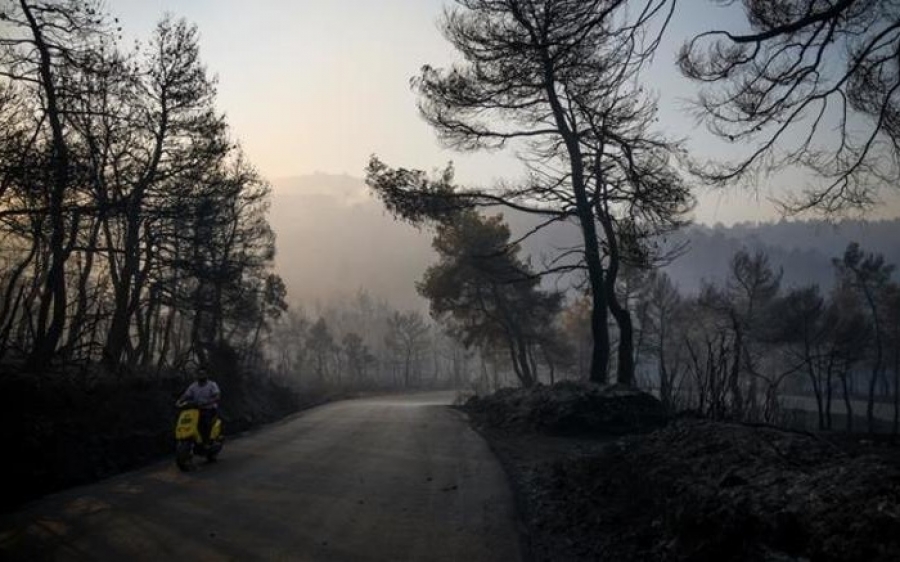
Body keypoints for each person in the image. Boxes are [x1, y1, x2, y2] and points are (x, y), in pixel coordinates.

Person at [178, 365, 221, 444]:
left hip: (209, 409)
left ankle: (207, 442)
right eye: (199, 374)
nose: (201, 376)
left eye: (203, 374)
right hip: (195, 410)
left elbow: (217, 396)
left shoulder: (212, 385)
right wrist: (180, 401)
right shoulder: (193, 386)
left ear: (207, 375)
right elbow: (186, 395)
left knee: (205, 423)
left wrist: (209, 401)